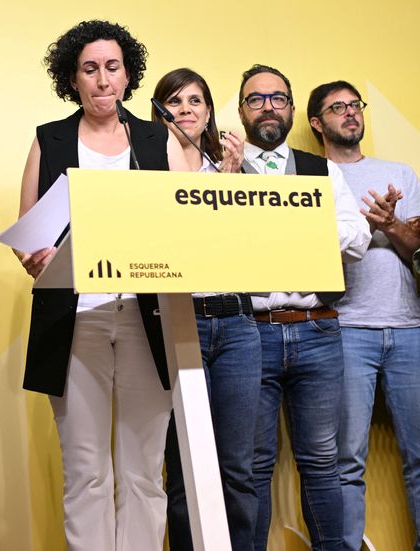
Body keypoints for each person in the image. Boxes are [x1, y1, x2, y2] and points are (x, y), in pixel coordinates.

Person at [17, 20, 188, 551]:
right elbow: (28, 233)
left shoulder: (160, 139)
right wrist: (35, 256)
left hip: (149, 319)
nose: (102, 79)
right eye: (89, 69)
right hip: (75, 322)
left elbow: (187, 225)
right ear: (73, 78)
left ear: (128, 74)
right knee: (86, 473)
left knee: (143, 473)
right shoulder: (50, 138)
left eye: (112, 67)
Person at [236, 64, 371, 551]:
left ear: (292, 110)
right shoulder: (222, 170)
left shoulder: (321, 170)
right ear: (242, 110)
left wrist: (296, 222)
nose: (268, 106)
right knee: (252, 462)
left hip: (317, 330)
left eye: (277, 98)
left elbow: (357, 237)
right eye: (256, 99)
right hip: (248, 333)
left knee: (323, 459)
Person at [307, 80, 420, 551]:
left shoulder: (400, 173)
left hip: (410, 327)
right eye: (338, 108)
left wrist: (389, 223)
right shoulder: (310, 177)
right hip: (345, 328)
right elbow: (304, 255)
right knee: (344, 461)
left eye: (355, 105)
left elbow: (415, 247)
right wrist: (358, 231)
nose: (350, 114)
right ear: (317, 122)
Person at [152, 67, 259, 551]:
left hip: (238, 324)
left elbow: (250, 248)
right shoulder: (146, 171)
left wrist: (234, 180)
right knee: (184, 470)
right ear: (158, 112)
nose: (186, 110)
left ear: (210, 112)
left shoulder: (240, 170)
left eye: (196, 101)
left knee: (237, 469)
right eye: (174, 101)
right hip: (180, 321)